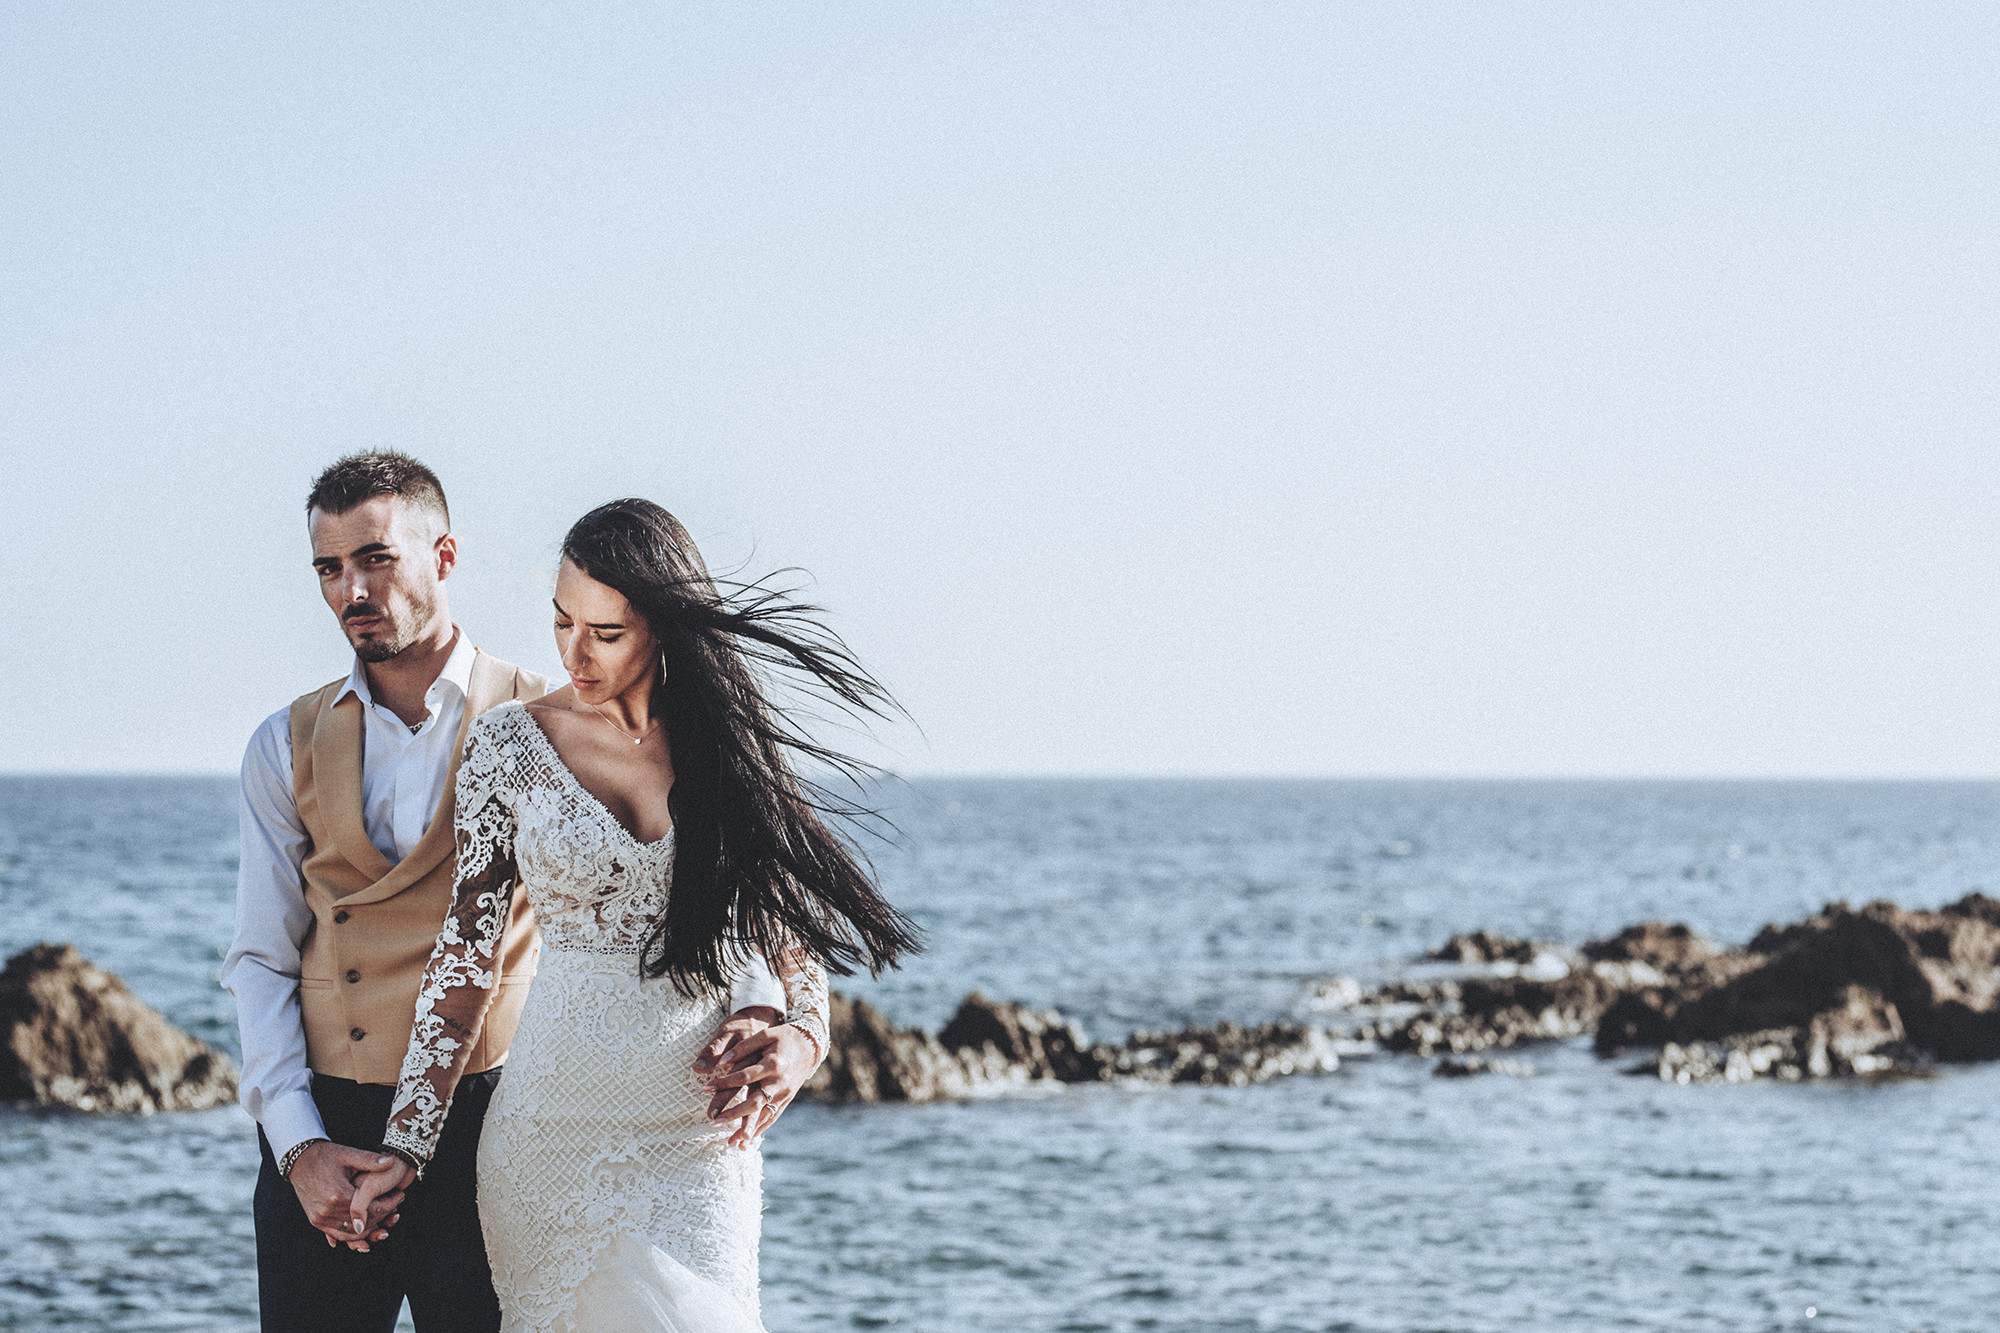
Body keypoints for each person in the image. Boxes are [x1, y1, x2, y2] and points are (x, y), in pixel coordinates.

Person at [220, 456, 799, 1332]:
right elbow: (264, 958)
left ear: (443, 557)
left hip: (504, 1111)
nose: (352, 590)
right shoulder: (284, 744)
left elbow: (749, 911)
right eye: (330, 568)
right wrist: (297, 1144)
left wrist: (789, 1021)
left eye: (375, 558)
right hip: (338, 1126)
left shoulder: (550, 717)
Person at [347, 498, 920, 1332]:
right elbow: (464, 961)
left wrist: (803, 1040)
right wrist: (408, 1144)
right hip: (549, 1134)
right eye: (560, 622)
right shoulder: (507, 745)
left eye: (605, 632)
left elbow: (790, 941)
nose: (574, 652)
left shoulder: (730, 745)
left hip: (698, 1144)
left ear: (660, 627)